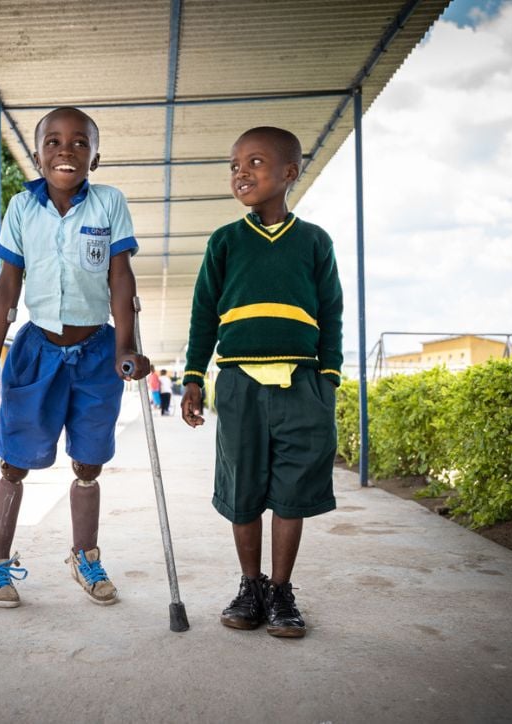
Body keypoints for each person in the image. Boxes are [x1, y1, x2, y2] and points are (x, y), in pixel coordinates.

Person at [0, 107, 149, 608]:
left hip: (95, 354)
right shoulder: (22, 208)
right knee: (14, 463)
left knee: (89, 463)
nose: (67, 150)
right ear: (39, 154)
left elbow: (121, 277)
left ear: (95, 156)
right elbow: (6, 285)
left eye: (80, 143)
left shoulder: (109, 203)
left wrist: (127, 346)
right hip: (35, 351)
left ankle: (84, 556)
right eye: (54, 142)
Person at [180, 126, 343, 638]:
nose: (240, 173)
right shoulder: (225, 242)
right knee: (243, 487)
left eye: (254, 162)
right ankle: (250, 586)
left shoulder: (315, 241)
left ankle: (281, 591)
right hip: (239, 385)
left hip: (302, 382)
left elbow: (333, 311)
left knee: (293, 491)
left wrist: (330, 376)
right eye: (234, 165)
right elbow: (204, 313)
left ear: (290, 173)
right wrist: (192, 378)